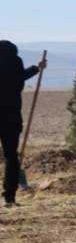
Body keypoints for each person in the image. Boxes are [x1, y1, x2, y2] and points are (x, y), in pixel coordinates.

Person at [0, 41, 46, 206]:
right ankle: (9, 196)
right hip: (11, 117)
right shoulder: (15, 62)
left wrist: (36, 68)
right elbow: (19, 78)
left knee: (11, 157)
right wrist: (36, 68)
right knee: (11, 156)